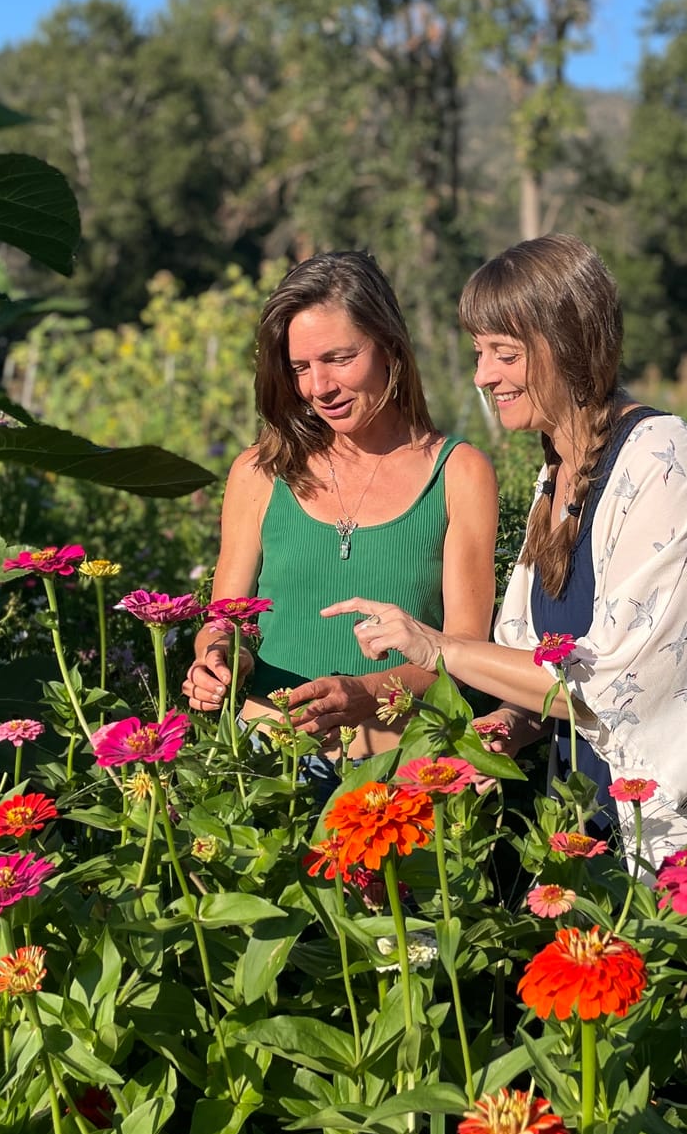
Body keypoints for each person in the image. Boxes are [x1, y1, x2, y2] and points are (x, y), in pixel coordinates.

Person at [327, 235, 687, 961]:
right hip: (592, 843)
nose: (484, 377)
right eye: (477, 354)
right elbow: (539, 668)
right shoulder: (558, 473)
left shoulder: (664, 462)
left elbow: (617, 689)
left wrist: (438, 646)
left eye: (504, 352)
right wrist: (504, 732)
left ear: (568, 342)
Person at [184, 252, 498, 764]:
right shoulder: (259, 473)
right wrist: (216, 658)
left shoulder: (459, 472)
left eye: (339, 359)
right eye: (300, 368)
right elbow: (225, 620)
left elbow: (464, 653)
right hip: (266, 764)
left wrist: (368, 691)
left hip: (400, 771)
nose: (319, 388)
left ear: (390, 348)